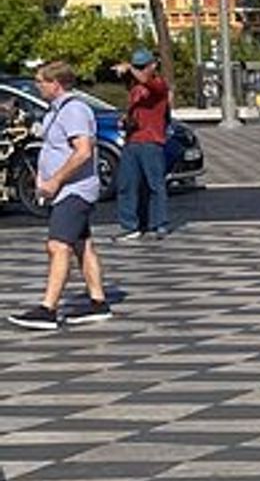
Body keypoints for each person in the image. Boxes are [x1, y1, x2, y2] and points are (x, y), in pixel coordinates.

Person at [9, 61, 112, 330]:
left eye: (40, 82)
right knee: (82, 244)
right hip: (67, 190)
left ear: (56, 84)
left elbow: (83, 151)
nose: (37, 86)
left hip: (74, 191)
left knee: (57, 246)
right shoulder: (57, 111)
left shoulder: (74, 110)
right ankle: (98, 302)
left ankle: (48, 308)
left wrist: (55, 180)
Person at [114, 47, 170, 240]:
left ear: (153, 66)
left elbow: (147, 81)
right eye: (138, 67)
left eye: (142, 66)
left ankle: (159, 223)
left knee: (155, 185)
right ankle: (131, 225)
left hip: (151, 141)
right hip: (133, 140)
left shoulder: (158, 84)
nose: (139, 71)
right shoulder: (135, 88)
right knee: (127, 184)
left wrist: (130, 68)